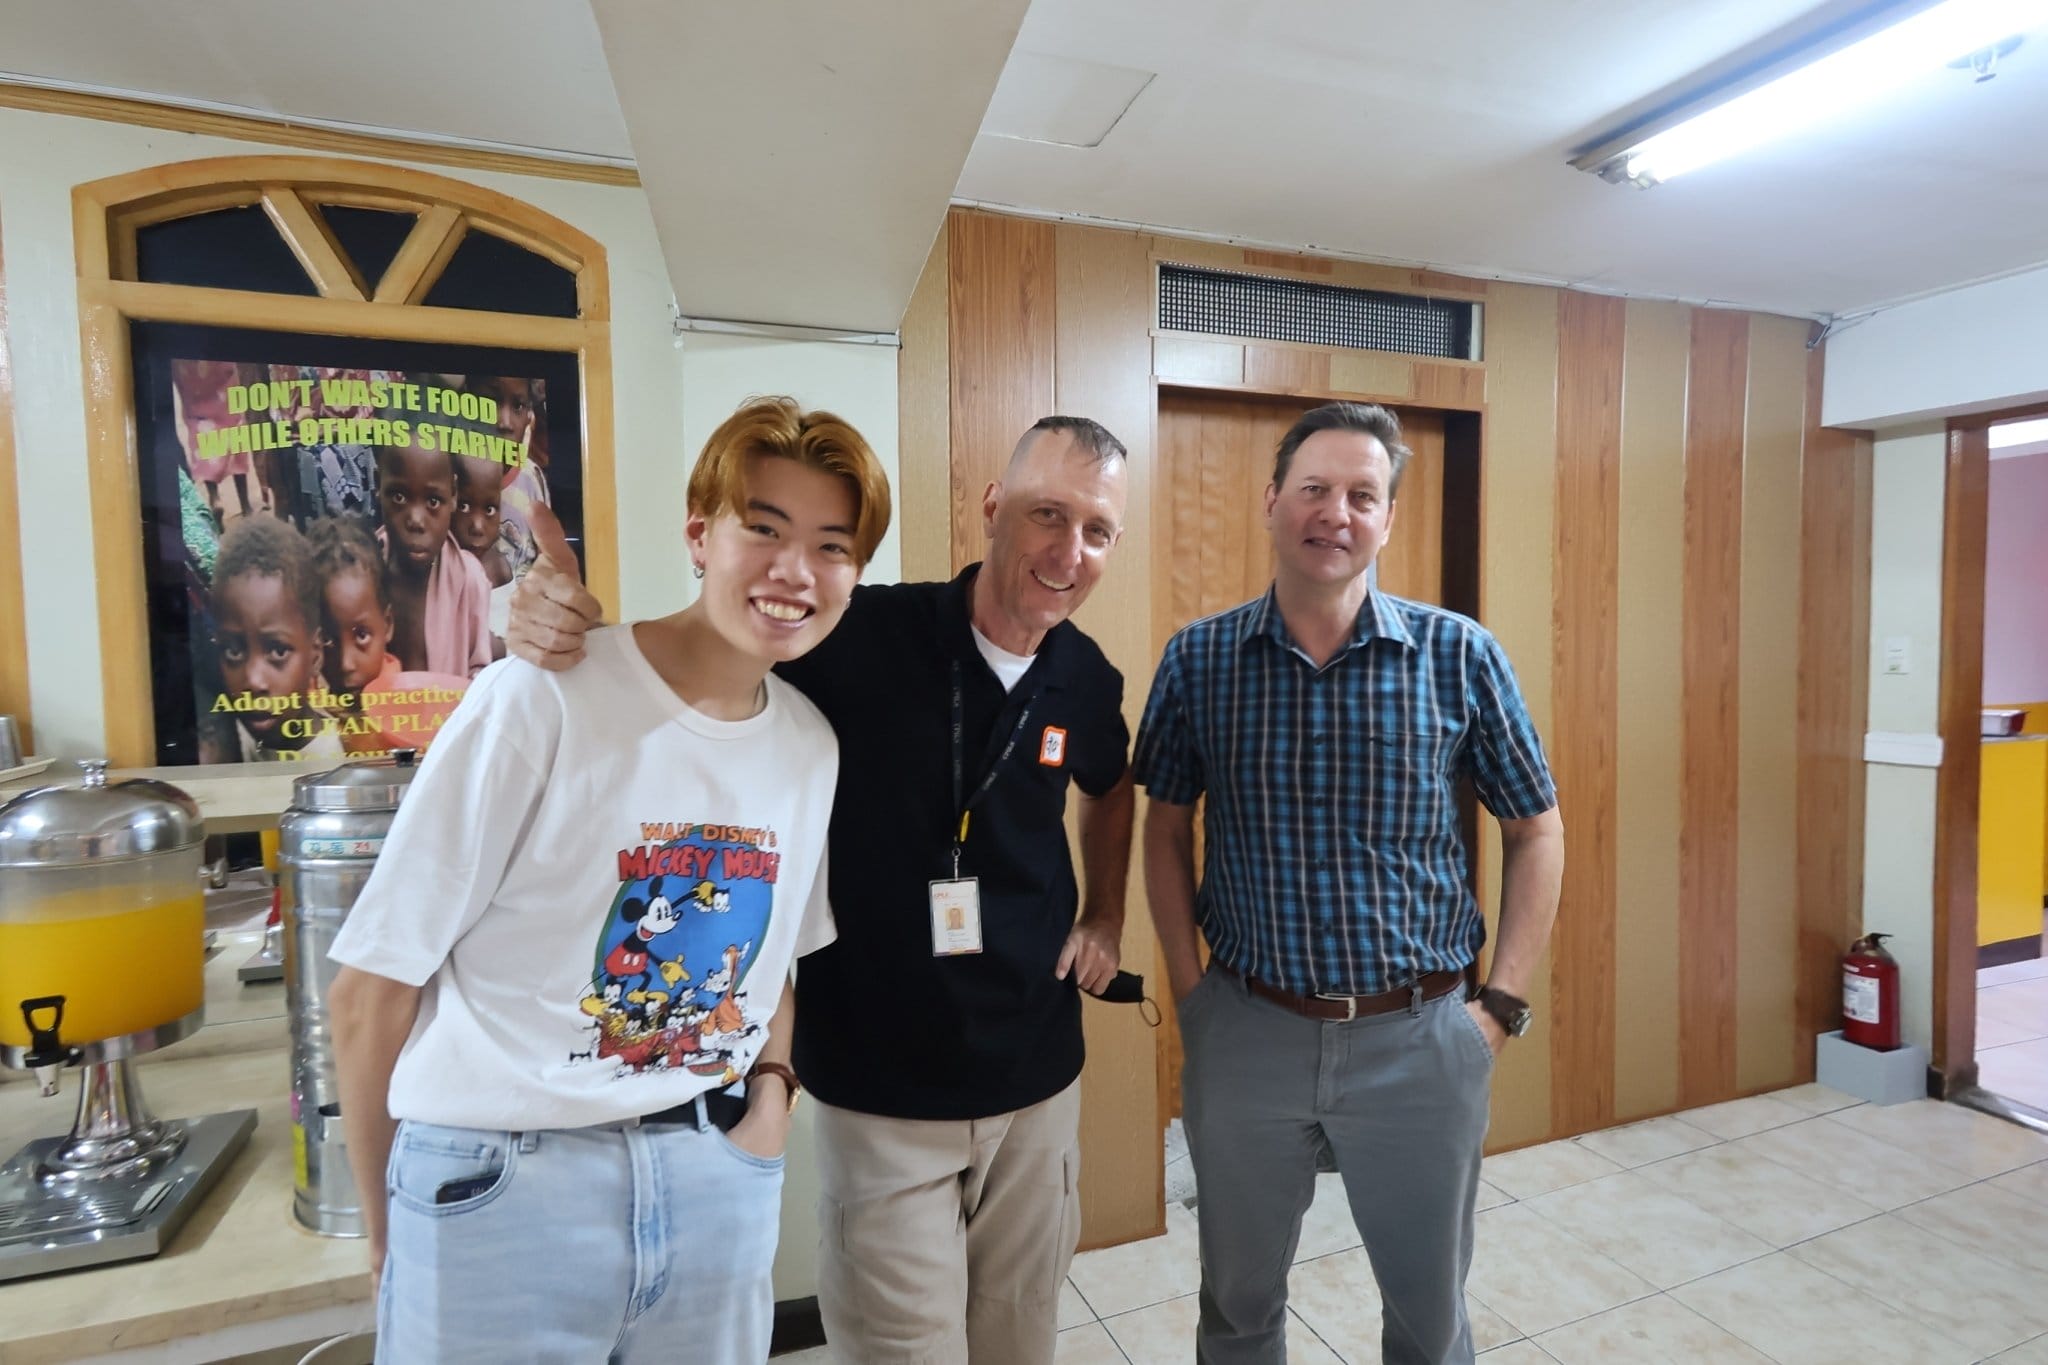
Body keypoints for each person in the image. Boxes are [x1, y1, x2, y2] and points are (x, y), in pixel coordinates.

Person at [506, 415, 1137, 1365]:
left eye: (1097, 530)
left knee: (1022, 1334)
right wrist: (555, 623)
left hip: (1036, 1076)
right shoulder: (860, 634)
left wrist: (1105, 915)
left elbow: (1112, 786)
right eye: (1048, 513)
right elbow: (701, 654)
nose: (1068, 550)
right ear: (993, 506)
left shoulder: (1083, 677)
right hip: (881, 1086)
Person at [325, 396, 892, 1364]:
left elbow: (774, 964)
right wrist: (390, 1230)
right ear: (699, 535)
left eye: (830, 546)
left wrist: (771, 1100)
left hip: (713, 1180)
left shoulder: (809, 745)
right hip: (502, 1188)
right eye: (763, 529)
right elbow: (371, 988)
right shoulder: (541, 694)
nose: (795, 570)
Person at [1134, 402, 1565, 1365]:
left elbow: (1536, 829)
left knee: (1427, 1317)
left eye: (1362, 495)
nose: (1336, 512)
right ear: (1272, 501)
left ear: (1388, 518)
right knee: (1237, 1307)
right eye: (1315, 488)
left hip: (1421, 1038)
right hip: (1249, 1029)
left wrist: (1500, 1004)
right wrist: (1192, 992)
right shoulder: (1200, 660)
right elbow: (1163, 827)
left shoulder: (1459, 655)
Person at [199, 515, 343, 764]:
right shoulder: (226, 738)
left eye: (278, 651)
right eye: (234, 652)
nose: (254, 681)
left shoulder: (334, 762)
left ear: (315, 655)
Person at [373, 445, 492, 678]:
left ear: (453, 494)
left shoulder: (470, 579)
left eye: (433, 501)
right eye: (399, 497)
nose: (416, 521)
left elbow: (480, 671)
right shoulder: (365, 573)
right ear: (378, 485)